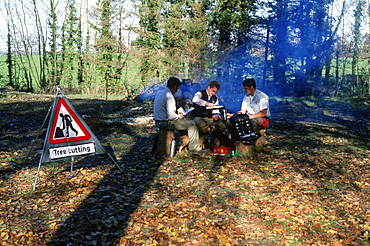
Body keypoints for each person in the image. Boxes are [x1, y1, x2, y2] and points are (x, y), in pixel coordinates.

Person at [154, 77, 202, 152]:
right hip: (165, 122)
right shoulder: (169, 96)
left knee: (184, 122)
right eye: (177, 88)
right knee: (192, 124)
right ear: (175, 86)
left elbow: (165, 110)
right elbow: (171, 116)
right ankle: (194, 148)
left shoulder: (160, 92)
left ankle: (184, 142)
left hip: (158, 120)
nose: (177, 90)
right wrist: (178, 116)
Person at [191, 80, 227, 147]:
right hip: (198, 116)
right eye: (213, 91)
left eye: (215, 92)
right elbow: (195, 100)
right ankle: (199, 145)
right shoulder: (200, 94)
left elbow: (216, 109)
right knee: (202, 125)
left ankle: (215, 141)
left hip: (208, 117)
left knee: (221, 125)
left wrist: (216, 115)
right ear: (209, 87)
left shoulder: (215, 98)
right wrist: (206, 103)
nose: (214, 93)